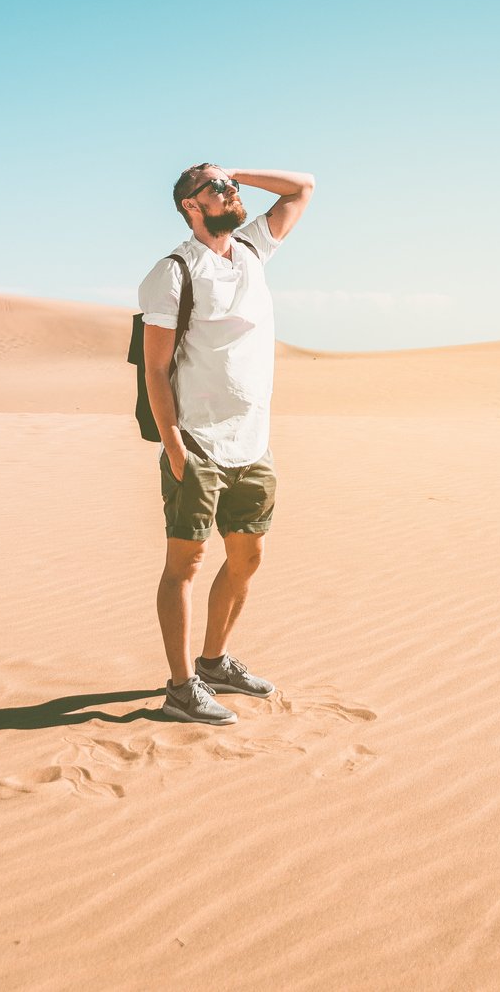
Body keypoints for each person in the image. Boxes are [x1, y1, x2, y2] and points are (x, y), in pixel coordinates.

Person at [137, 163, 316, 724]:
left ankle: (214, 663)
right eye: (216, 188)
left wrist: (233, 168)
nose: (230, 192)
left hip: (252, 442)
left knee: (247, 557)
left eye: (230, 186)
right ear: (192, 206)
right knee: (184, 564)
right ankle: (180, 687)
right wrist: (173, 446)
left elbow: (302, 188)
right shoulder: (171, 274)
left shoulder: (253, 251)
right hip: (196, 441)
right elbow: (157, 370)